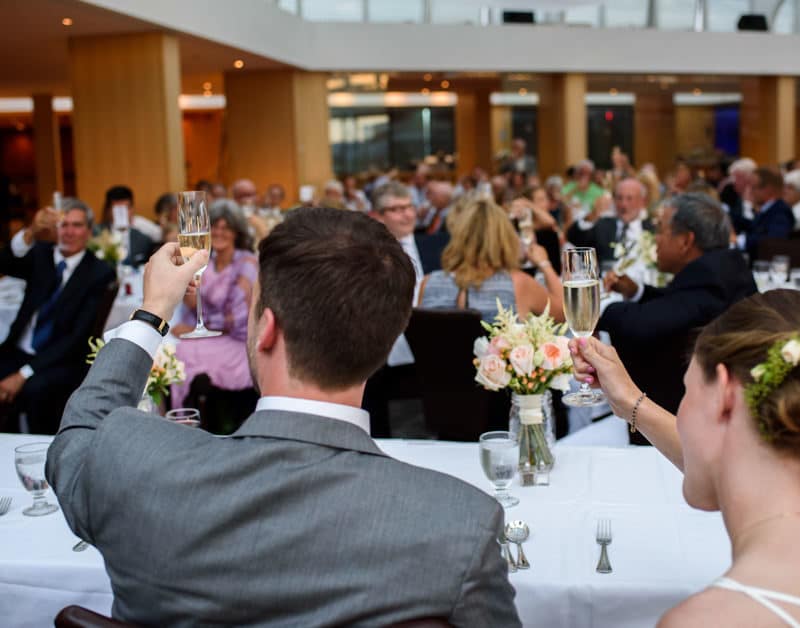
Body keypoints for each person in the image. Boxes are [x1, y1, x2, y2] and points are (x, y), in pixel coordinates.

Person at [47, 207, 520, 627]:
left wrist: (152, 313)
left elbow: (81, 432)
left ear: (266, 329)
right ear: (387, 338)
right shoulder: (462, 523)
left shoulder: (136, 468)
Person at [571, 290, 800, 627]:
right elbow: (740, 471)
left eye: (686, 390)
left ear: (724, 394)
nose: (681, 409)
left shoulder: (705, 621)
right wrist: (632, 403)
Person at [0, 201, 115, 433]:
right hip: (18, 349)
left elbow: (76, 338)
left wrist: (23, 374)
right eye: (63, 225)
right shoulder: (40, 254)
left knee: (35, 390)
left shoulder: (98, 272)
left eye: (77, 225)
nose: (69, 232)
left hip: (60, 359)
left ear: (89, 231)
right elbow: (6, 262)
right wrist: (31, 232)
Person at [599, 193, 756, 351]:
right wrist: (637, 292)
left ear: (685, 241)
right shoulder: (724, 264)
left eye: (660, 229)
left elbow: (643, 326)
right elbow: (676, 301)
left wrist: (597, 305)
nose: (655, 238)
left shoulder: (709, 283)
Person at [170, 200, 258, 426]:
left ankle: (187, 422)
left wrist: (197, 325)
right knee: (167, 355)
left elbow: (238, 318)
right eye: (215, 227)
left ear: (236, 232)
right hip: (213, 338)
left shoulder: (246, 263)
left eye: (226, 227)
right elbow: (191, 303)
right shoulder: (206, 262)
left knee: (180, 357)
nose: (219, 232)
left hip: (237, 342)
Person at [419, 195, 564, 323]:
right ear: (505, 238)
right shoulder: (518, 284)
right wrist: (545, 264)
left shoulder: (428, 283)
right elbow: (565, 314)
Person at [568, 178, 651, 270]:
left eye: (629, 198)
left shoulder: (652, 230)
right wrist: (592, 216)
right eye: (619, 198)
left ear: (642, 201)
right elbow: (575, 240)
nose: (623, 204)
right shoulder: (603, 225)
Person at [743, 168, 795, 261]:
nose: (750, 191)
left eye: (754, 187)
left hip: (765, 268)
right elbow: (755, 227)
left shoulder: (780, 212)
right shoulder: (770, 209)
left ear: (768, 189)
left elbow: (773, 241)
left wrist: (742, 241)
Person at [101, 185, 159, 266]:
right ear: (108, 210)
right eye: (117, 209)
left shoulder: (142, 234)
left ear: (132, 209)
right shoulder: (97, 234)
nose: (121, 214)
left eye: (125, 209)